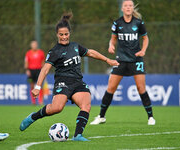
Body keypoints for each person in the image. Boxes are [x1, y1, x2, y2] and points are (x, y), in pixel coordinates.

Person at [19, 12, 119, 141]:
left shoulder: (75, 46)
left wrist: (107, 60)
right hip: (63, 82)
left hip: (77, 82)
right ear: (57, 35)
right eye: (61, 34)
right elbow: (45, 69)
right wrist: (38, 87)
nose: (64, 37)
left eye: (66, 34)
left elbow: (91, 53)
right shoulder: (54, 51)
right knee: (57, 108)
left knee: (86, 106)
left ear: (69, 34)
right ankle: (34, 116)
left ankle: (78, 135)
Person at [90, 0, 156, 125]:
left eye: (130, 5)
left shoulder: (139, 23)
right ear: (122, 8)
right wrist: (111, 45)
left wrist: (143, 50)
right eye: (126, 5)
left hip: (136, 60)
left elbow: (145, 38)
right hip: (120, 60)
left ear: (132, 8)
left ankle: (150, 117)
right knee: (111, 87)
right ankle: (101, 116)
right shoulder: (117, 23)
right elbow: (113, 39)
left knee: (141, 88)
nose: (128, 7)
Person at [25, 40, 45, 105]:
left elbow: (43, 62)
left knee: (40, 86)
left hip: (39, 70)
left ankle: (40, 101)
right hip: (31, 71)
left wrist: (43, 70)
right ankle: (33, 101)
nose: (34, 46)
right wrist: (27, 70)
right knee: (32, 86)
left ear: (37, 45)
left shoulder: (41, 52)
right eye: (33, 44)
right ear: (31, 45)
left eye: (35, 44)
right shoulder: (28, 53)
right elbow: (26, 62)